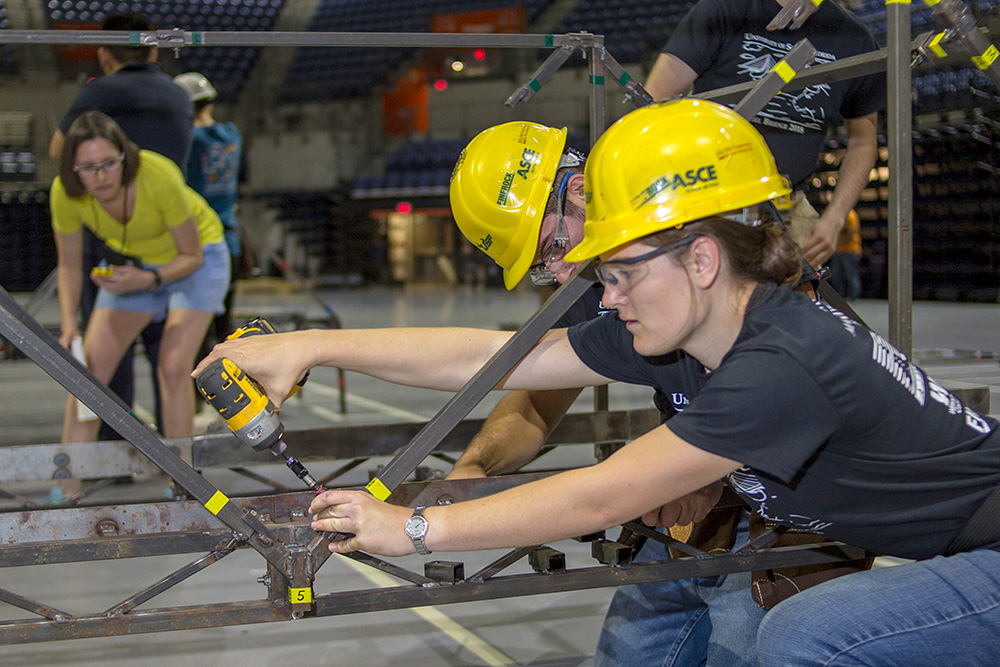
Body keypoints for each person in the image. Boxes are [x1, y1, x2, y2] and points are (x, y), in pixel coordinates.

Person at [196, 100, 1000, 665]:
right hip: (956, 549)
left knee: (806, 636)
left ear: (702, 256)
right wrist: (311, 344)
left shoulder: (780, 359)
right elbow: (501, 356)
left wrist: (403, 530)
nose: (597, 292)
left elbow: (597, 497)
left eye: (617, 271)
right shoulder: (700, 321)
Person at [448, 120, 788, 665]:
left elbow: (778, 395)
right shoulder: (591, 279)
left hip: (783, 507)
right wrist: (476, 467)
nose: (559, 271)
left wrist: (703, 468)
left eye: (553, 245)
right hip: (693, 504)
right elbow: (537, 396)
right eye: (541, 266)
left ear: (580, 190)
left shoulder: (718, 257)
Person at [644, 0, 885, 269]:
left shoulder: (854, 38)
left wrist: (836, 217)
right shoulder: (723, 9)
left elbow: (863, 140)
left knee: (793, 305)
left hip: (790, 207)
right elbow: (654, 102)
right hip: (709, 202)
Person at [49, 12, 194, 442]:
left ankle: (118, 449)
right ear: (153, 51)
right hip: (175, 241)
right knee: (171, 363)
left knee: (104, 364)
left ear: (103, 56)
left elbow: (61, 151)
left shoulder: (101, 92)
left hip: (116, 244)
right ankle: (175, 460)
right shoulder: (179, 95)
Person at [52, 111, 229, 442]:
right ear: (73, 170)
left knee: (174, 367)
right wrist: (68, 326)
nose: (101, 177)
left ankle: (183, 487)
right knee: (86, 376)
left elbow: (192, 256)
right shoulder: (65, 193)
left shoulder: (158, 174)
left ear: (124, 156)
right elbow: (69, 264)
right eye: (88, 168)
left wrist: (147, 280)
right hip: (140, 267)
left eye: (109, 163)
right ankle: (65, 490)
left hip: (198, 259)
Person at [173, 71, 244, 344]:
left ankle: (200, 388)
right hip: (231, 241)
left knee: (196, 334)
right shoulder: (232, 135)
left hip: (199, 244)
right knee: (223, 328)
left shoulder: (190, 142)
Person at [830, 209, 863, 300]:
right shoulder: (837, 216)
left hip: (850, 251)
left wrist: (836, 240)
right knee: (836, 275)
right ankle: (838, 295)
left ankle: (853, 296)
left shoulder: (850, 216)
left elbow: (850, 234)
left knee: (851, 274)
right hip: (838, 250)